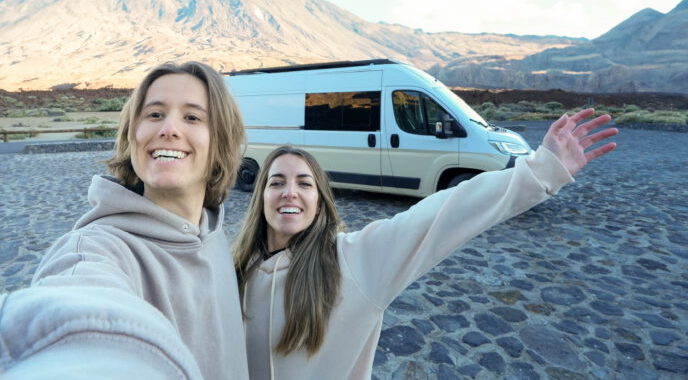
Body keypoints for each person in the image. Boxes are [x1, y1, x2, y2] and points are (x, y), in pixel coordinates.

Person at [232, 108, 617, 380]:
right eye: (277, 181)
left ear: (320, 200)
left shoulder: (355, 259)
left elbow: (445, 213)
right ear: (260, 195)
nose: (290, 193)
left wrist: (542, 170)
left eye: (304, 183)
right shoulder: (232, 270)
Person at [0, 61, 249, 380]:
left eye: (192, 117)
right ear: (132, 134)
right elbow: (76, 309)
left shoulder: (213, 233)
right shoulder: (97, 249)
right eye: (154, 114)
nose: (169, 129)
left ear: (221, 141)